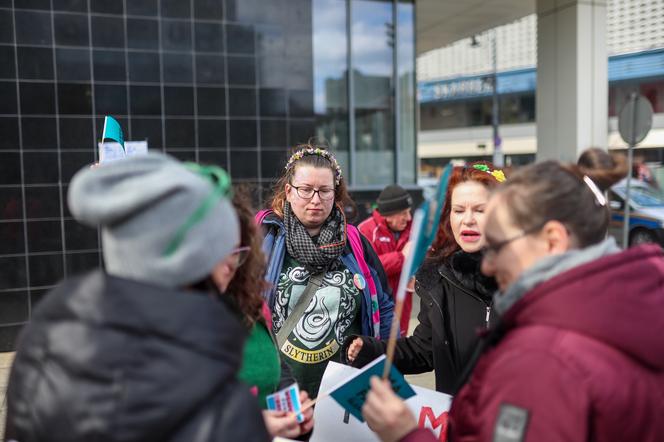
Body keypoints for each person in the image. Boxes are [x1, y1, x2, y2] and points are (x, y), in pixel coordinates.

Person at [362, 160, 664, 442]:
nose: (489, 265)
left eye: (500, 244)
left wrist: (407, 434)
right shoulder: (626, 303)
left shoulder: (544, 352)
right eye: (458, 210)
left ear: (552, 240)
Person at [5, 153, 270, 442]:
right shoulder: (217, 388)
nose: (233, 264)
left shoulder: (42, 344)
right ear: (194, 261)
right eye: (226, 251)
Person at [345, 162, 505, 394]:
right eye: (458, 210)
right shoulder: (440, 278)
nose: (467, 220)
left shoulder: (529, 279)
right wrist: (369, 349)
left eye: (480, 210)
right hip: (459, 423)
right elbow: (423, 350)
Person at [259, 144, 395, 398]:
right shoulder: (266, 239)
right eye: (306, 190)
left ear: (335, 193)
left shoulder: (354, 243)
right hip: (282, 391)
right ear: (288, 191)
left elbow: (384, 306)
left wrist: (386, 361)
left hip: (345, 394)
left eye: (324, 191)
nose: (315, 199)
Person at [219, 191, 314, 439]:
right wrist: (252, 426)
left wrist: (292, 410)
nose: (229, 262)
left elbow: (275, 368)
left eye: (237, 250)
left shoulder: (250, 301)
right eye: (216, 249)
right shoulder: (166, 322)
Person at [358, 185, 414, 336]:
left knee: (400, 349)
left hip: (404, 305)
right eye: (404, 213)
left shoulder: (412, 228)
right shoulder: (366, 230)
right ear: (389, 214)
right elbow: (367, 268)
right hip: (378, 307)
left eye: (409, 212)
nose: (408, 218)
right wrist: (402, 258)